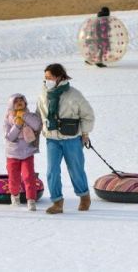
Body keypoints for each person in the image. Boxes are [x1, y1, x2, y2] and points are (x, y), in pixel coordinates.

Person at [35, 64, 95, 214]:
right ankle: (57, 202)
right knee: (52, 171)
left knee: (76, 169)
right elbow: (39, 115)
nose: (47, 80)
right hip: (52, 139)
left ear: (60, 77)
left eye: (50, 77)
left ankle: (84, 197)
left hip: (71, 139)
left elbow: (88, 115)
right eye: (45, 77)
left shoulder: (74, 94)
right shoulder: (43, 94)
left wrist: (85, 133)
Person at [4, 94, 43, 211]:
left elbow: (37, 126)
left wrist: (24, 116)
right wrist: (18, 125)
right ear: (11, 105)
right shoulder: (8, 118)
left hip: (27, 152)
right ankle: (15, 196)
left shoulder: (29, 115)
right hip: (13, 153)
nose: (20, 103)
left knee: (28, 176)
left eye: (22, 100)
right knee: (14, 178)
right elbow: (9, 137)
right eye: (16, 101)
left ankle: (31, 200)